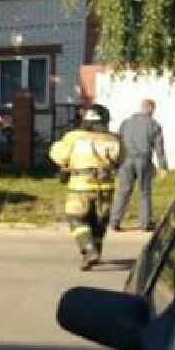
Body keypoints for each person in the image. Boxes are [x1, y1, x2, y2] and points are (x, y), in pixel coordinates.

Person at [49, 103, 123, 271]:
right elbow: (120, 159)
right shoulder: (114, 139)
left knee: (77, 218)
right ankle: (97, 250)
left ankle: (89, 251)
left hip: (80, 187)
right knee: (99, 221)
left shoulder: (73, 137)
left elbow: (58, 156)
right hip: (106, 187)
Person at [110, 99, 168, 232]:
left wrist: (116, 163)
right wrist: (163, 166)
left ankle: (114, 221)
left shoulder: (126, 123)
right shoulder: (154, 125)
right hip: (143, 160)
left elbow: (118, 141)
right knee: (144, 192)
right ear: (151, 109)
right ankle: (145, 223)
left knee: (123, 191)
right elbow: (159, 148)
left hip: (126, 161)